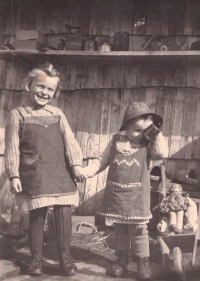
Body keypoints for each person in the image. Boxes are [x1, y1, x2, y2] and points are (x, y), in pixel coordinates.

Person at [4, 63, 84, 277]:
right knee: (37, 214)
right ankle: (36, 257)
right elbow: (12, 146)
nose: (44, 92)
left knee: (63, 212)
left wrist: (76, 165)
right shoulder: (18, 114)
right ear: (28, 86)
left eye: (50, 89)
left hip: (60, 172)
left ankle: (65, 256)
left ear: (55, 93)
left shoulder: (57, 114)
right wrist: (13, 174)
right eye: (40, 86)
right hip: (35, 173)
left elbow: (70, 142)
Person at [82, 102, 169, 280]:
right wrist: (86, 172)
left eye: (144, 131)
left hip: (138, 197)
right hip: (117, 196)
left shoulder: (148, 145)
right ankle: (122, 257)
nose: (140, 135)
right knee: (120, 227)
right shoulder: (115, 141)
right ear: (126, 127)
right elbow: (101, 161)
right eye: (136, 130)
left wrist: (154, 132)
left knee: (139, 229)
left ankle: (142, 260)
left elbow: (162, 153)